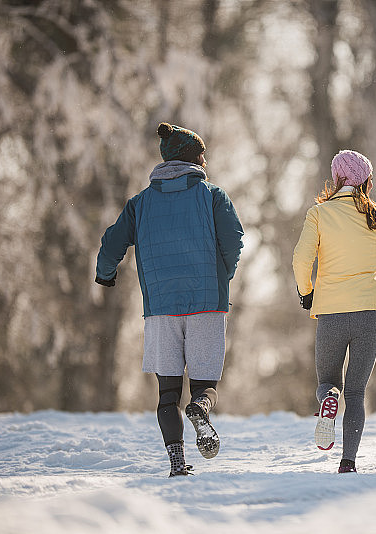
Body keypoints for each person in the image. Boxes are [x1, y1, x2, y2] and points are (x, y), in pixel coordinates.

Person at [95, 122, 244, 477]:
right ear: (193, 158)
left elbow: (113, 241)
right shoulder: (212, 195)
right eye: (202, 155)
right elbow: (234, 241)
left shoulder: (141, 203)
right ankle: (201, 408)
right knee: (205, 383)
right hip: (207, 303)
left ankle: (177, 463)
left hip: (160, 308)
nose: (206, 160)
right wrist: (221, 276)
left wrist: (106, 273)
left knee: (167, 394)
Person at [293, 150, 376, 474]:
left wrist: (307, 293)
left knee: (328, 382)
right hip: (369, 313)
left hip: (331, 311)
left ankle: (327, 402)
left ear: (336, 178)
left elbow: (300, 260)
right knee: (356, 391)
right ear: (368, 181)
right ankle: (348, 462)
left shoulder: (319, 214)